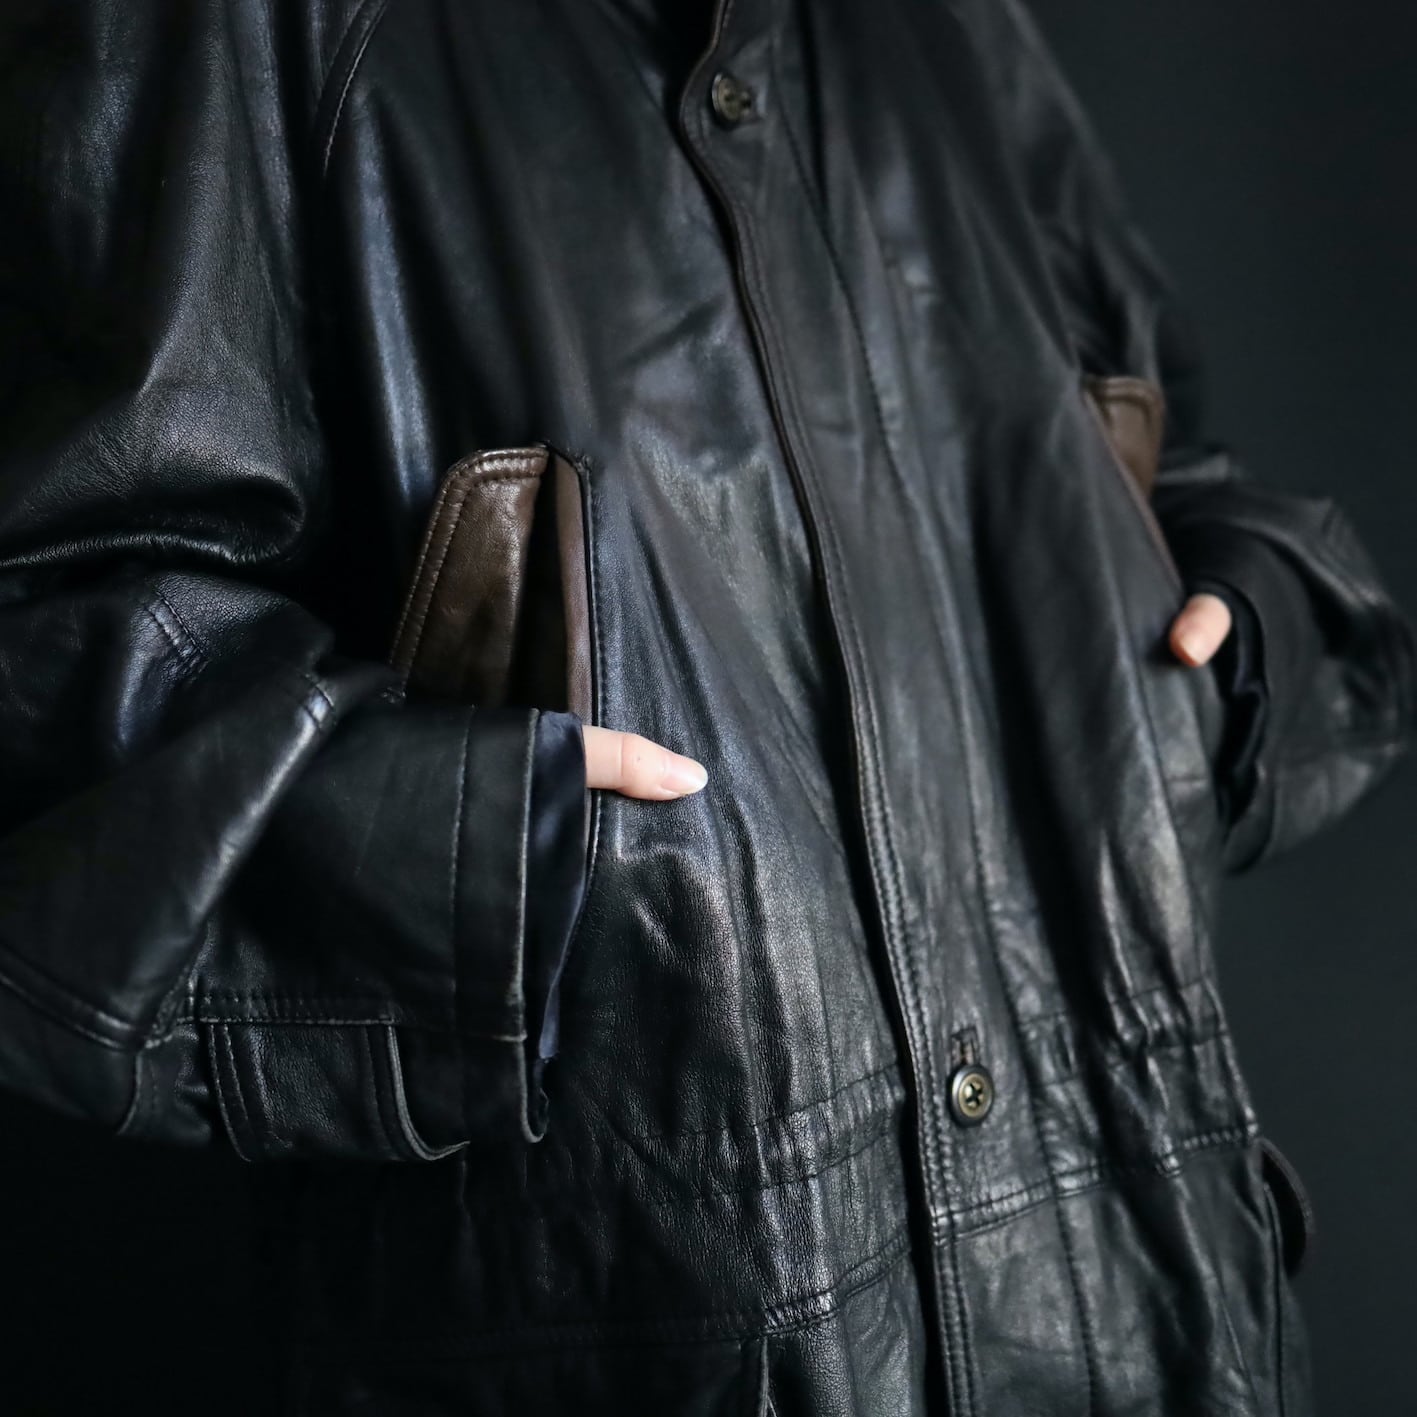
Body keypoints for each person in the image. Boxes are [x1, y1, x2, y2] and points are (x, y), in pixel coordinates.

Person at [0, 0, 1411, 1411]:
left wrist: (1213, 673)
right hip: (668, 1327)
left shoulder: (938, 28)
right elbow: (57, 664)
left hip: (1152, 1296)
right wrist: (504, 854)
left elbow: (1157, 456)